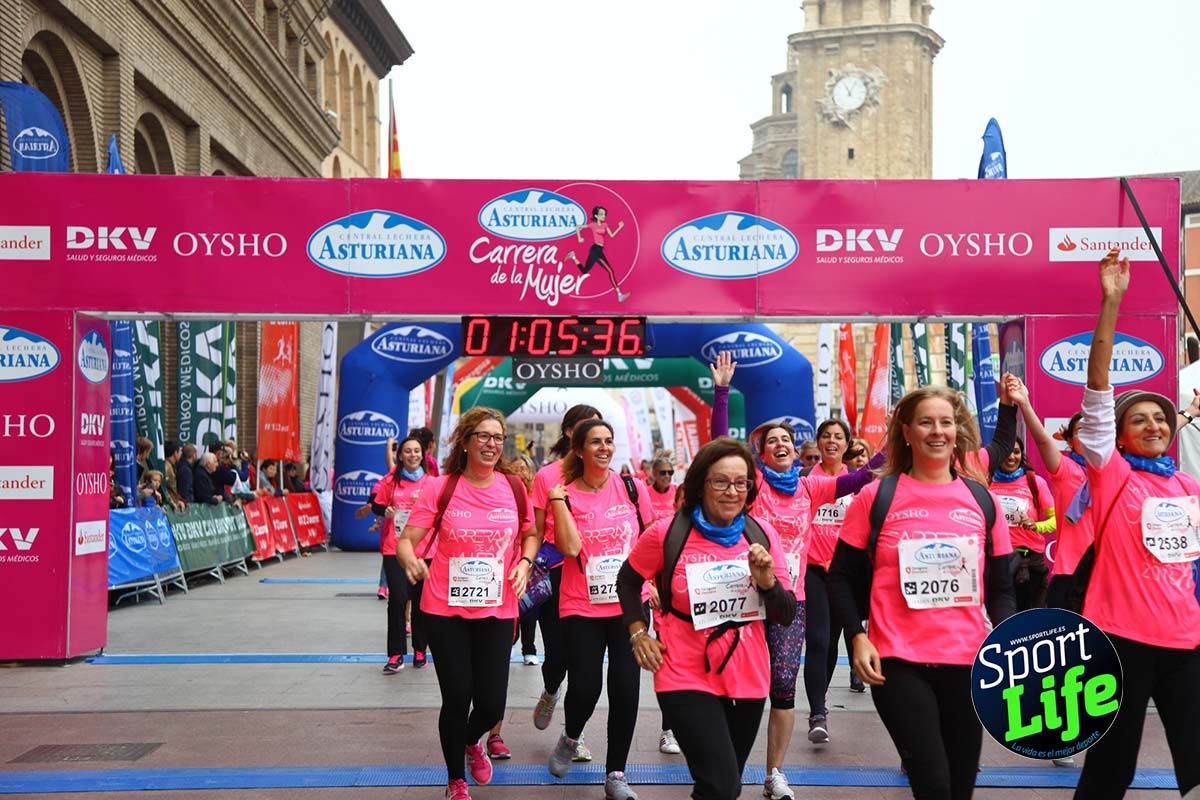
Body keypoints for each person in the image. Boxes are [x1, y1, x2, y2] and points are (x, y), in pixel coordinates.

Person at [828, 384, 1016, 800]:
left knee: (960, 787)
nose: (938, 431)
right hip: (897, 662)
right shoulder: (875, 497)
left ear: (957, 431)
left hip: (969, 663)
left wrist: (1006, 643)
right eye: (927, 422)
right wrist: (858, 637)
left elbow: (1001, 589)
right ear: (907, 431)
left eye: (946, 422)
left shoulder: (983, 502)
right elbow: (839, 577)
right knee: (932, 784)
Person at [709, 353, 883, 799]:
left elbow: (865, 476)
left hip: (792, 602)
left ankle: (774, 774)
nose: (782, 444)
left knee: (784, 690)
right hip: (745, 602)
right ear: (762, 452)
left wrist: (898, 432)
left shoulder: (811, 486)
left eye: (787, 438)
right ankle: (725, 765)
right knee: (739, 688)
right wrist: (723, 391)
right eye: (773, 441)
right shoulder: (753, 484)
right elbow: (718, 443)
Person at [1069, 249, 1200, 800]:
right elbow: (1099, 391)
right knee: (1110, 772)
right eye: (1138, 419)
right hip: (1119, 643)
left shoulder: (1190, 488)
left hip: (1187, 643)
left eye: (1161, 418)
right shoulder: (1112, 473)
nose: (1153, 424)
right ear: (1118, 436)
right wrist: (1111, 303)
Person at [616, 437, 796, 800]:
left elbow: (786, 613)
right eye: (720, 481)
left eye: (741, 483)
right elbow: (628, 579)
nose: (732, 492)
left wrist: (767, 582)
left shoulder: (761, 535)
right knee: (722, 783)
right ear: (700, 484)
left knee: (720, 786)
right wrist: (638, 633)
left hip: (747, 672)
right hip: (683, 670)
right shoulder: (668, 533)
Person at [396, 408, 539, 800]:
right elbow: (408, 538)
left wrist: (525, 562)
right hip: (444, 608)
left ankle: (473, 740)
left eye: (498, 437)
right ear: (465, 440)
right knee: (457, 697)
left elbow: (531, 533)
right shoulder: (439, 487)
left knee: (492, 704)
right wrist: (407, 556)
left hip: (497, 608)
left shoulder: (513, 487)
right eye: (483, 436)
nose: (492, 444)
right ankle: (456, 780)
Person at [543, 419, 653, 800]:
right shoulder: (564, 495)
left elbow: (650, 539)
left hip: (629, 607)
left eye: (609, 441)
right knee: (586, 688)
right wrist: (558, 502)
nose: (605, 448)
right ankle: (571, 734)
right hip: (581, 607)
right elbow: (570, 549)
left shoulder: (632, 488)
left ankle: (616, 774)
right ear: (579, 450)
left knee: (625, 689)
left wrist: (651, 583)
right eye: (596, 442)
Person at [529, 404, 603, 764]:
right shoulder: (547, 476)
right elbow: (537, 528)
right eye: (585, 429)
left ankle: (577, 734)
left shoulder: (604, 474)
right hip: (555, 571)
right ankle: (550, 688)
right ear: (570, 434)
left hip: (592, 575)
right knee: (557, 654)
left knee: (583, 659)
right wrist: (526, 564)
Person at [802, 418, 868, 720]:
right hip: (813, 571)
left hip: (844, 574)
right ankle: (817, 711)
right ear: (818, 442)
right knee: (817, 639)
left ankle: (821, 698)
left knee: (832, 641)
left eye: (838, 436)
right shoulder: (804, 478)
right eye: (826, 436)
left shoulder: (857, 482)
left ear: (847, 444)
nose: (831, 441)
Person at [372, 435, 433, 675]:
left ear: (422, 455)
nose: (412, 455)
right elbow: (376, 504)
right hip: (394, 548)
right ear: (400, 455)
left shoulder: (432, 483)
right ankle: (395, 654)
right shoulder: (390, 481)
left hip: (424, 550)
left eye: (416, 451)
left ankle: (420, 648)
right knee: (397, 599)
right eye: (407, 451)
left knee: (420, 602)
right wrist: (384, 511)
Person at [988, 438, 1054, 611]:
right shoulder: (986, 483)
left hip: (1031, 560)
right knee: (1003, 616)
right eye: (1007, 452)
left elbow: (1055, 521)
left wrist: (1036, 526)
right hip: (1000, 559)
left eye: (1016, 452)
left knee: (1032, 618)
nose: (1011, 457)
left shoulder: (1035, 482)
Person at [565, 206, 630, 302]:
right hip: (596, 250)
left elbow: (611, 235)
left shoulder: (605, 225)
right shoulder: (592, 225)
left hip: (598, 250)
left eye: (604, 214)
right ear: (596, 215)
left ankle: (573, 256)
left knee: (584, 271)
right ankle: (619, 295)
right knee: (610, 271)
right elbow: (577, 227)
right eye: (601, 214)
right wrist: (579, 238)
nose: (603, 216)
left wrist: (619, 227)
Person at [646, 453, 678, 522]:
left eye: (670, 472)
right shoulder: (645, 493)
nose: (667, 476)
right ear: (654, 474)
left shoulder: (677, 490)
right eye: (663, 473)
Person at [163, 440, 185, 511]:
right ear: (175, 452)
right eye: (179, 452)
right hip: (169, 506)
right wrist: (172, 502)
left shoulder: (172, 466)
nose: (180, 454)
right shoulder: (167, 467)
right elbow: (164, 488)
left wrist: (177, 501)